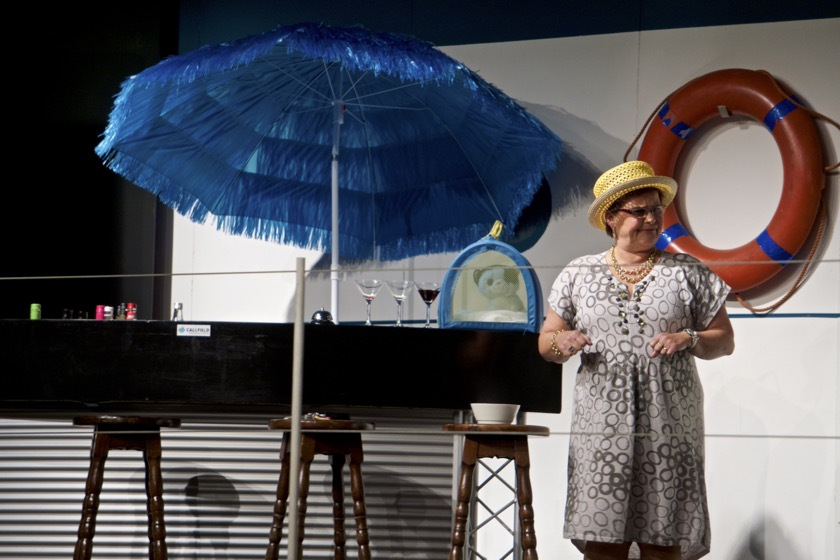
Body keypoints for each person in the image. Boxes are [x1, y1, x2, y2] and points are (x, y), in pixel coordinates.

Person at [538, 161, 735, 560]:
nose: (651, 219)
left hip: (669, 426)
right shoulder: (579, 273)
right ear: (611, 218)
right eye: (639, 211)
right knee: (603, 541)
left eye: (656, 210)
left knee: (662, 540)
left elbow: (725, 341)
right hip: (601, 428)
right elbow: (546, 343)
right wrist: (564, 341)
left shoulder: (688, 273)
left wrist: (690, 338)